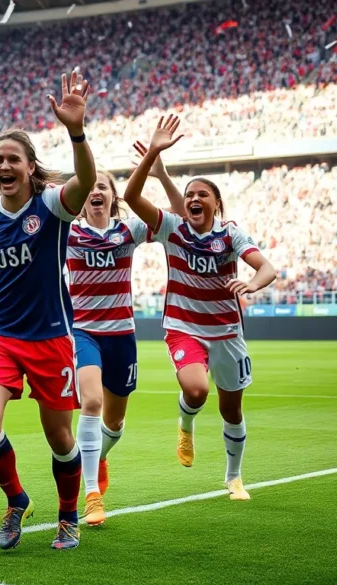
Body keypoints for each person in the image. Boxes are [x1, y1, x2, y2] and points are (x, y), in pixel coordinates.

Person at [0, 71, 96, 551]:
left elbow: (86, 181)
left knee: (59, 437)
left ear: (31, 168)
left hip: (51, 336)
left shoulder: (52, 206)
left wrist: (76, 131)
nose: (4, 165)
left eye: (13, 159)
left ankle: (68, 515)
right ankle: (16, 500)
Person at [123, 115, 277, 500]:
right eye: (189, 194)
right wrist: (153, 155)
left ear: (216, 203)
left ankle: (234, 478)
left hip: (227, 333)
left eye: (202, 194)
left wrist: (252, 283)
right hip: (184, 327)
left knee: (232, 411)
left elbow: (267, 268)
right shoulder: (172, 228)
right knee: (195, 390)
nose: (194, 199)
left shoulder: (230, 233)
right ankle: (186, 423)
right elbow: (131, 197)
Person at [67, 151, 184, 526]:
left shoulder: (128, 231)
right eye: (90, 186)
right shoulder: (68, 232)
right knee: (91, 402)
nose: (95, 191)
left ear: (113, 196)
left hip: (121, 336)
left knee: (115, 424)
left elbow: (178, 218)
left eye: (103, 186)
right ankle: (91, 494)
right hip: (84, 332)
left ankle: (98, 457)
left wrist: (161, 175)